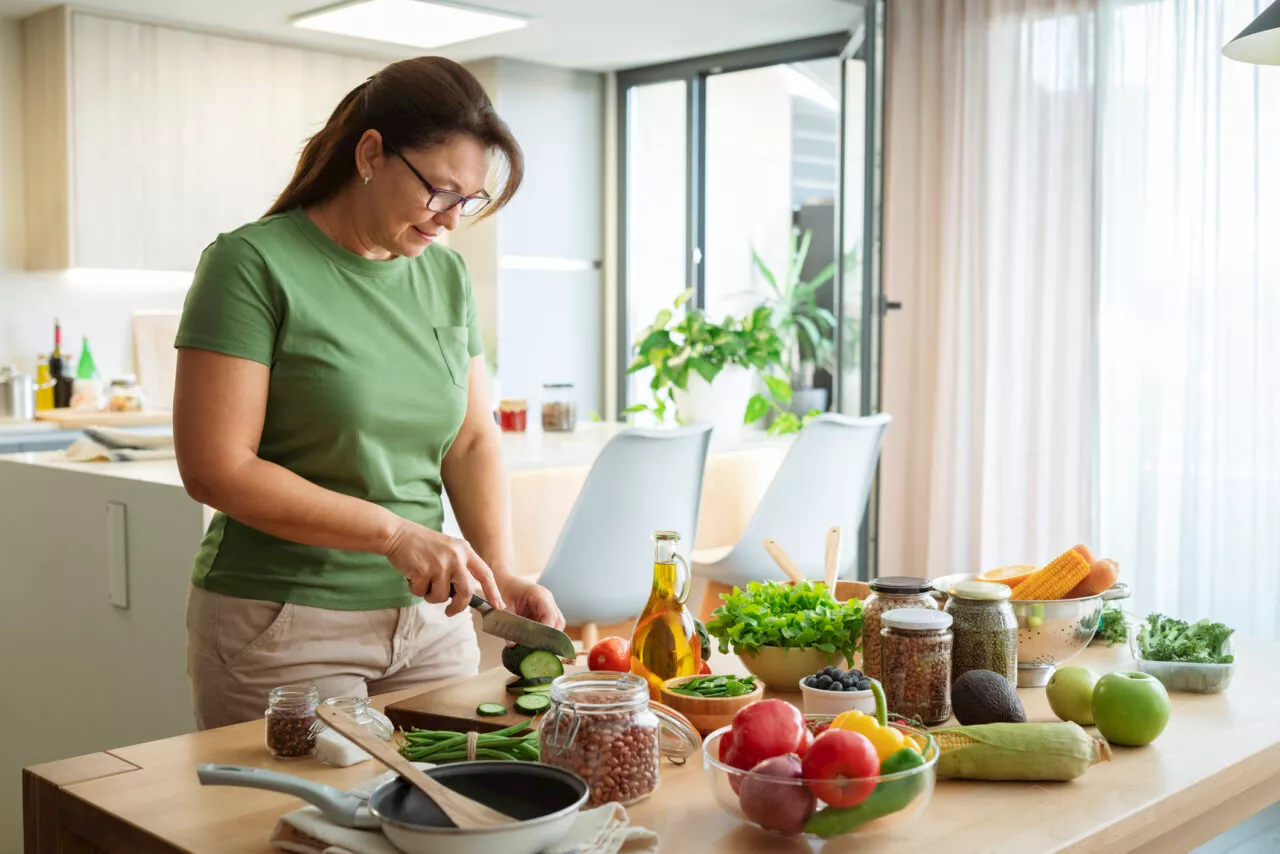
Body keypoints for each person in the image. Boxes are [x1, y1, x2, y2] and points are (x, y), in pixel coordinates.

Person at [173, 56, 563, 730]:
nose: (449, 219)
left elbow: (471, 439)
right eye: (439, 191)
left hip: (433, 624)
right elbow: (216, 468)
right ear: (372, 153)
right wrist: (393, 535)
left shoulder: (444, 276)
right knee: (307, 832)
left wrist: (500, 570)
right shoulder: (252, 264)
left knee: (447, 815)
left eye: (467, 202)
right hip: (283, 629)